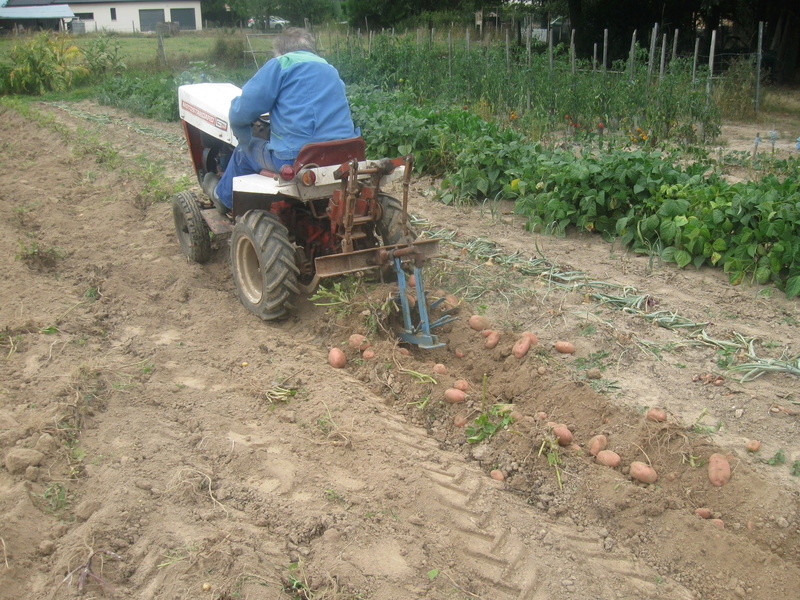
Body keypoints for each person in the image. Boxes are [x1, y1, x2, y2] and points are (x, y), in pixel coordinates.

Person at [204, 28, 359, 211]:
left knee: (242, 153)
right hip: (344, 153)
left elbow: (242, 110)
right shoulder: (330, 69)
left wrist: (244, 138)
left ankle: (223, 198)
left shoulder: (281, 64)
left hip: (298, 157)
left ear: (280, 51)